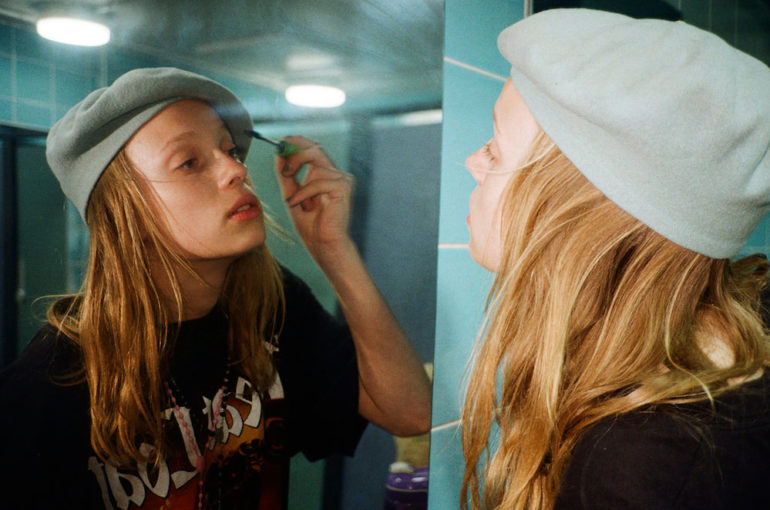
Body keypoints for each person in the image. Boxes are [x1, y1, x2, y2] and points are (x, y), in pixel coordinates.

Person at [0, 67, 431, 509]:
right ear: (127, 214)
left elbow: (412, 414)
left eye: (229, 150)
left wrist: (333, 249)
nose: (237, 169)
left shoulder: (273, 307)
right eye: (189, 162)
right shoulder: (56, 374)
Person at [460, 9, 770, 510]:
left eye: (496, 150)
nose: (473, 161)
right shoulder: (729, 374)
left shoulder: (632, 470)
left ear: (574, 217)